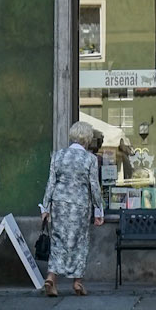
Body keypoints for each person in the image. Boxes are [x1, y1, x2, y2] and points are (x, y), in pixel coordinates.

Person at [39, 120, 104, 296]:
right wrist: (99, 210)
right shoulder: (90, 159)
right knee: (80, 241)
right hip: (80, 204)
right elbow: (94, 186)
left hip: (59, 203)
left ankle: (51, 278)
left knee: (58, 240)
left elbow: (50, 183)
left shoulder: (58, 155)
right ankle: (77, 282)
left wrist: (45, 207)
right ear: (88, 139)